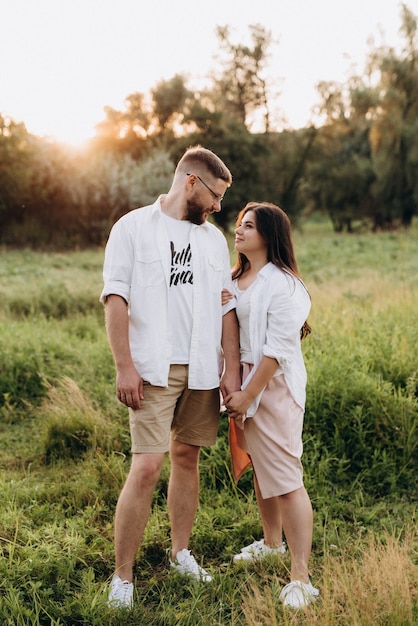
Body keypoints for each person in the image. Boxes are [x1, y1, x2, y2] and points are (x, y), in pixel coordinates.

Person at [100, 146, 241, 609]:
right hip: (153, 368)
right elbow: (115, 298)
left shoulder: (212, 241)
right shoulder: (133, 228)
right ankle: (123, 578)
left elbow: (225, 307)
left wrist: (229, 368)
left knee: (186, 459)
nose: (220, 206)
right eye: (217, 195)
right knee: (146, 467)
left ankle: (181, 552)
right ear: (192, 183)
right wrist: (125, 366)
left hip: (202, 367)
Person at [223, 201, 318, 609]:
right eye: (239, 224)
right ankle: (271, 543)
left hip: (273, 386)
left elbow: (278, 350)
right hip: (244, 381)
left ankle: (301, 577)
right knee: (263, 470)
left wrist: (247, 394)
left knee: (286, 478)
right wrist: (232, 385)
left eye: (248, 226)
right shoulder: (239, 275)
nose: (238, 231)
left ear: (269, 235)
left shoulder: (284, 284)